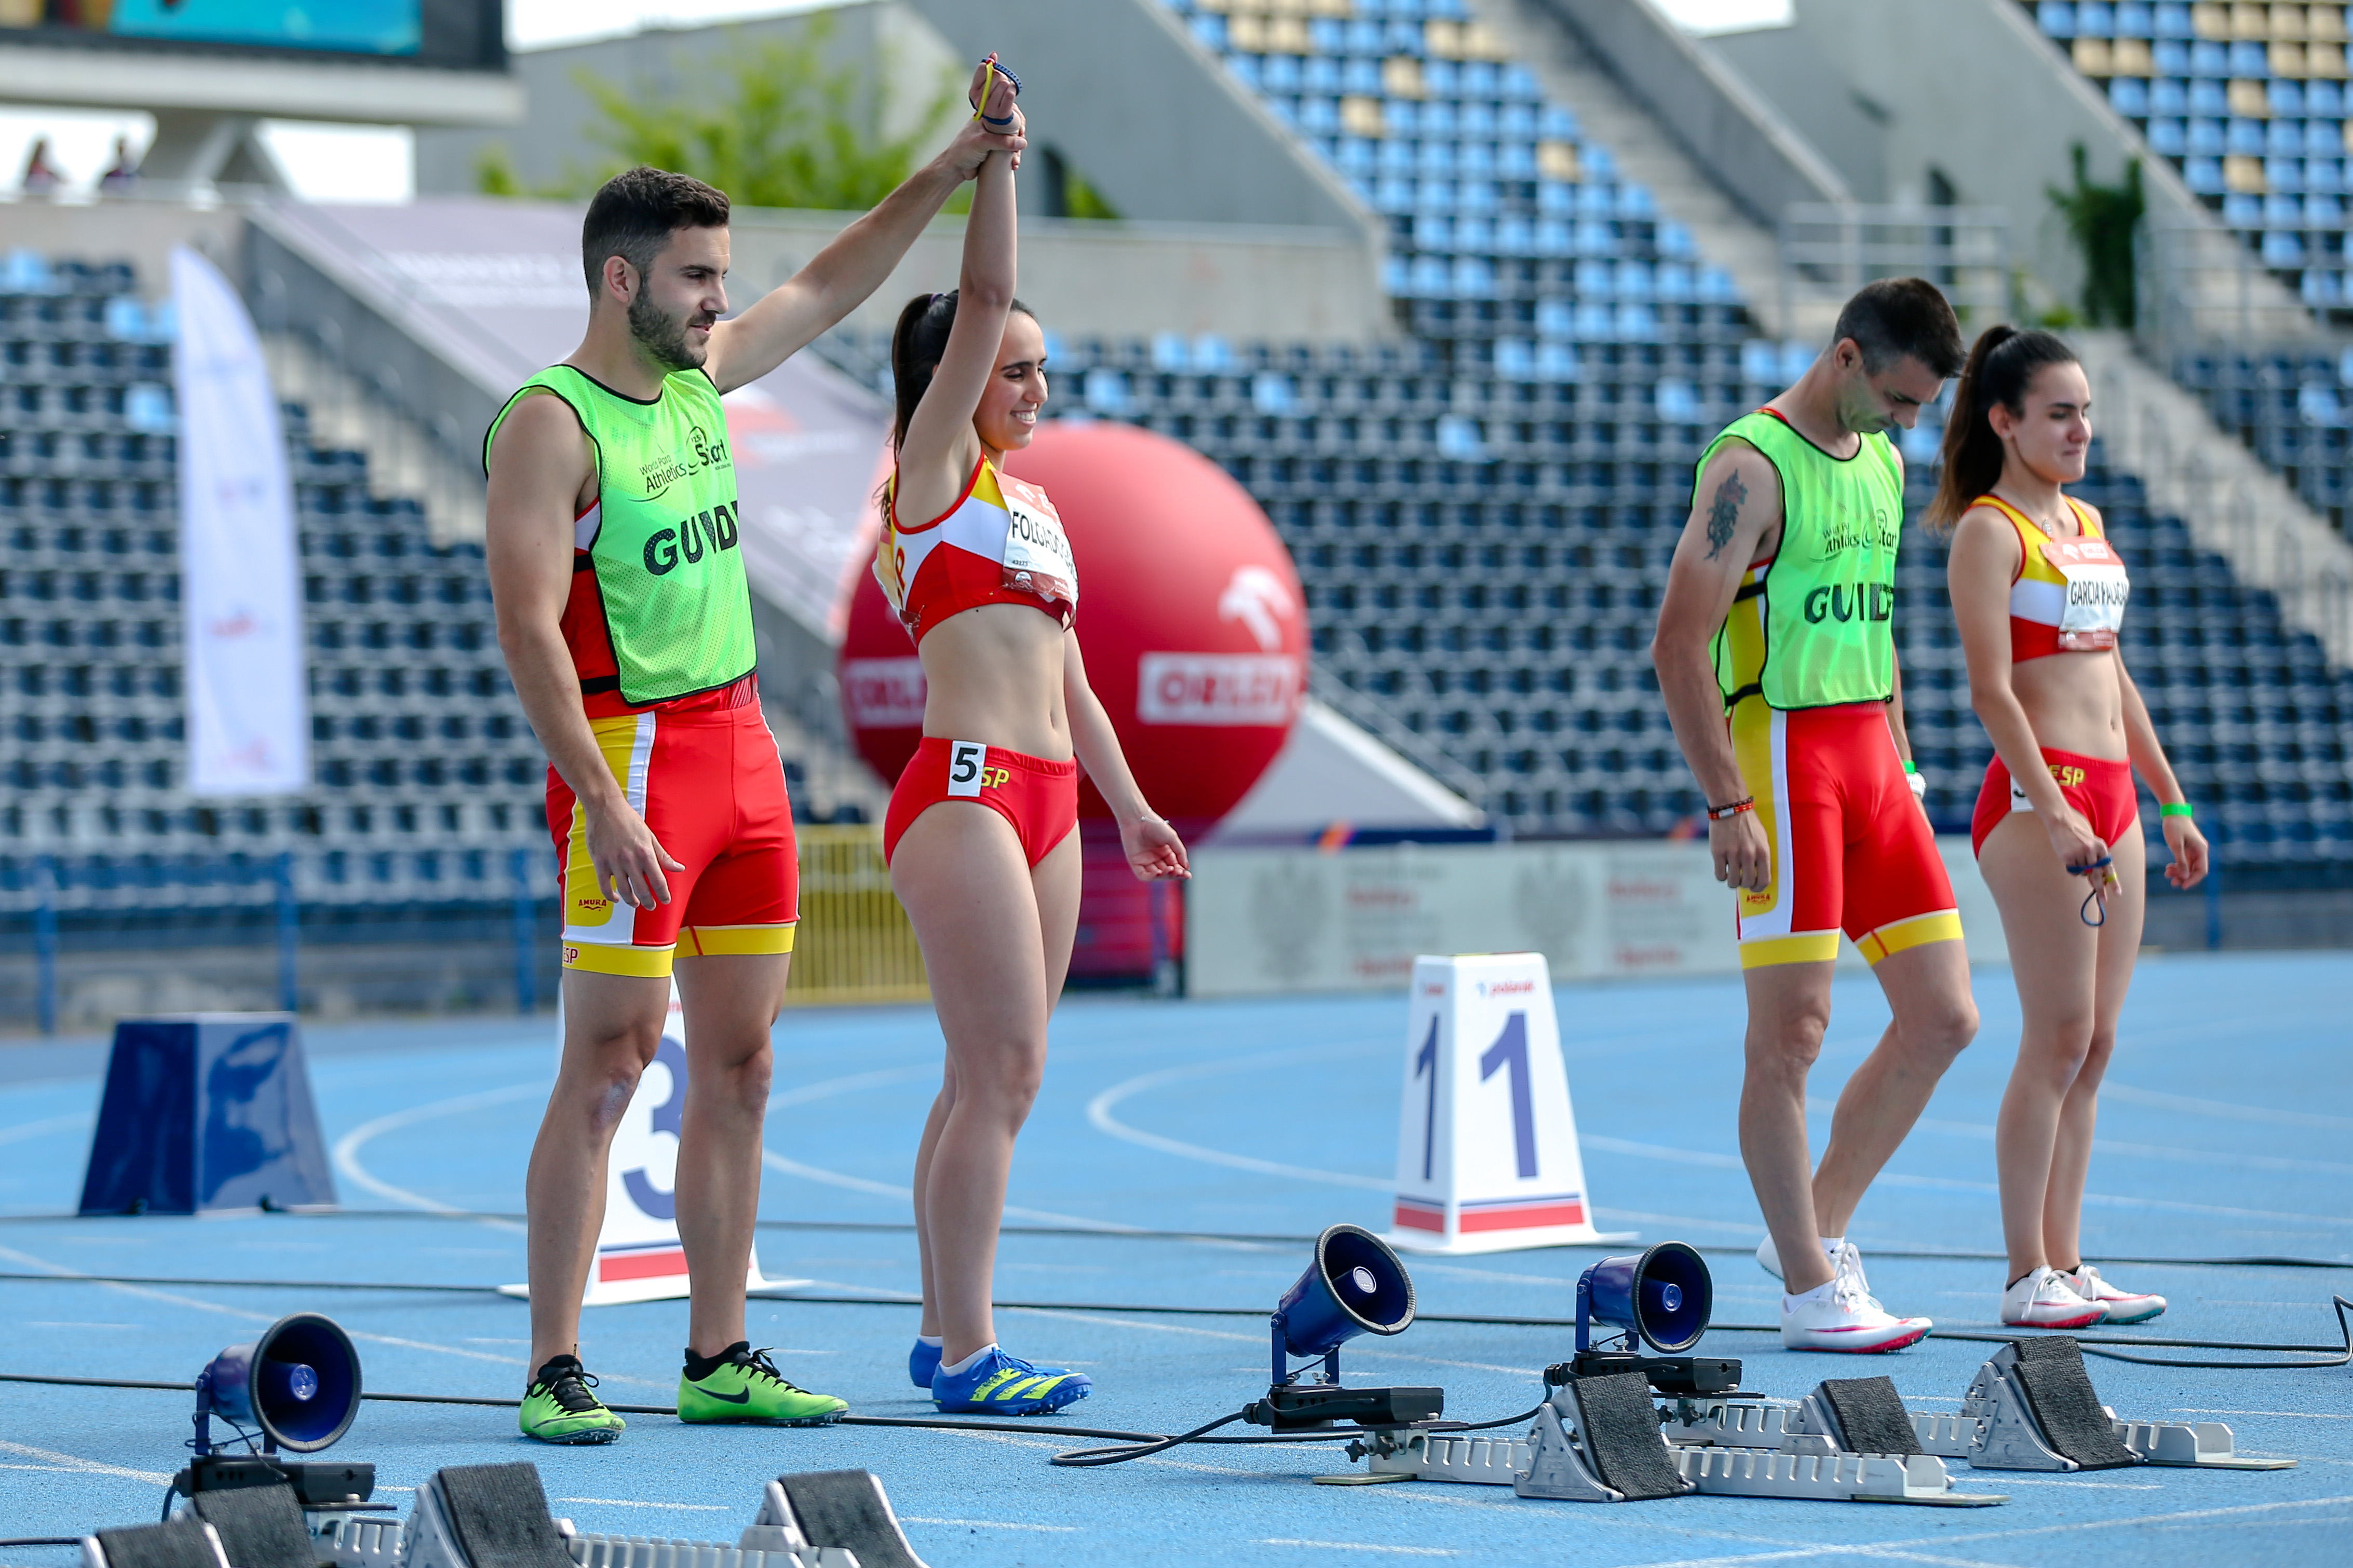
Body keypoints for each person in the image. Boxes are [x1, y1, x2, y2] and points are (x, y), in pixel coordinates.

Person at [482, 73, 1027, 1445]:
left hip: (739, 750)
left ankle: (715, 1347)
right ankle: (556, 1359)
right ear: (622, 281)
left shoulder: (698, 374)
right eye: (699, 278)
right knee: (610, 1063)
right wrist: (600, 797)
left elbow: (836, 282)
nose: (724, 299)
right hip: (635, 753)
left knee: (744, 1066)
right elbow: (527, 632)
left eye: (724, 276)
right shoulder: (552, 422)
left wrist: (955, 166)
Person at [875, 62, 1189, 1416]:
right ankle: (966, 1350)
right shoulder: (927, 473)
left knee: (991, 1069)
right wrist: (999, 159)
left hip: (1054, 793)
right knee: (1001, 1066)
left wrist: (1125, 803)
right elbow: (984, 300)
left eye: (1044, 373)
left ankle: (942, 1326)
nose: (1034, 385)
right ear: (953, 376)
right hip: (961, 794)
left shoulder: (1034, 508)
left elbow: (1068, 676)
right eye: (1015, 369)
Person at [1652, 278, 1977, 1352]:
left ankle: (1814, 1226)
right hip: (1781, 760)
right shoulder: (1748, 465)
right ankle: (1806, 1288)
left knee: (1944, 1017)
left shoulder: (1881, 461)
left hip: (1873, 766)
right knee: (1788, 1037)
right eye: (1898, 397)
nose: (1910, 422)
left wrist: (1903, 752)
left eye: (1924, 404)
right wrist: (1725, 801)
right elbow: (1676, 642)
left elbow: (1877, 626)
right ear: (1844, 359)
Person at [1930, 327, 2205, 1328]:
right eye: (2059, 412)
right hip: (2038, 799)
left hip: (2117, 800)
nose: (2081, 427)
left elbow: (2112, 676)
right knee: (2055, 1036)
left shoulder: (2084, 520)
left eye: (2086, 410)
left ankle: (2069, 1260)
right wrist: (2051, 807)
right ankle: (2022, 1274)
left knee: (2096, 1042)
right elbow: (1991, 691)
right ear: (2005, 422)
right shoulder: (1990, 532)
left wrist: (2169, 798)